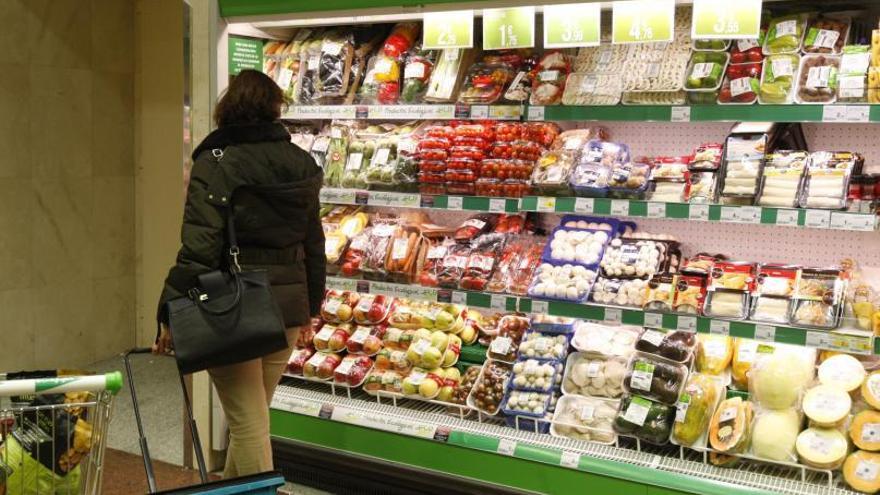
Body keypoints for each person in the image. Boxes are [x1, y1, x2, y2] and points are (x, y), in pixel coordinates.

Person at [153, 69, 325, 478]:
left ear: (227, 109)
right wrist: (311, 309)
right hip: (288, 307)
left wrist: (168, 310)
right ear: (274, 109)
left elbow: (199, 246)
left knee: (248, 424)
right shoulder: (301, 161)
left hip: (234, 307)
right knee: (252, 420)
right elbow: (314, 245)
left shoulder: (216, 161)